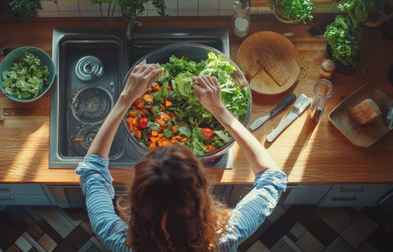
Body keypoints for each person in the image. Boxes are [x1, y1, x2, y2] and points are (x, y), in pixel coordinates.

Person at [76, 64, 287, 251]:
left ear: (136, 198)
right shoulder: (224, 239)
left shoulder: (117, 239)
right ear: (202, 196)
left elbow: (92, 171)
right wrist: (220, 110)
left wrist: (124, 100)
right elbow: (273, 178)